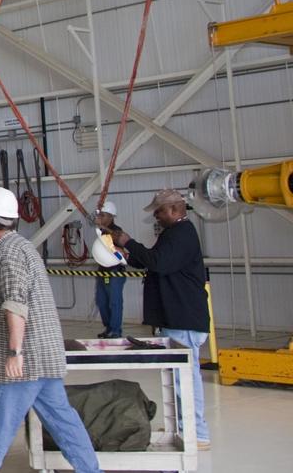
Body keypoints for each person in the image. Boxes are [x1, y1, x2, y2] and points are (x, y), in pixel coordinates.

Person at [0, 187, 100, 473]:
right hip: (46, 359)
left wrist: (15, 353)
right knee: (64, 423)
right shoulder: (24, 247)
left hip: (24, 363)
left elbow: (15, 304)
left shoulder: (7, 253)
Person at [107, 187, 210, 448]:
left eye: (159, 211)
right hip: (173, 318)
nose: (156, 216)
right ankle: (181, 426)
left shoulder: (182, 234)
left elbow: (160, 262)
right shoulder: (172, 234)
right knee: (174, 379)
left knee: (184, 379)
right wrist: (127, 254)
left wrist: (129, 242)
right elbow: (153, 262)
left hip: (183, 319)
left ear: (175, 209)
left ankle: (196, 432)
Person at [93, 201, 125, 338]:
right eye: (100, 215)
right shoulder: (100, 231)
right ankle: (108, 328)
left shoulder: (117, 231)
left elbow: (118, 239)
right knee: (101, 301)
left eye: (104, 215)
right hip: (103, 271)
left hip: (115, 272)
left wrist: (102, 228)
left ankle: (116, 330)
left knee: (115, 302)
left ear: (111, 216)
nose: (101, 218)